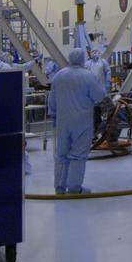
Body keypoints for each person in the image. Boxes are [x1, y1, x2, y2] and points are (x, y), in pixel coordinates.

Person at [48, 47, 105, 194]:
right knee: (78, 155)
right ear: (82, 59)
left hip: (62, 121)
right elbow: (99, 95)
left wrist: (53, 114)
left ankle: (59, 187)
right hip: (82, 121)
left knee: (61, 154)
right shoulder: (88, 76)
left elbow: (52, 99)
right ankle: (74, 187)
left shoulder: (59, 76)